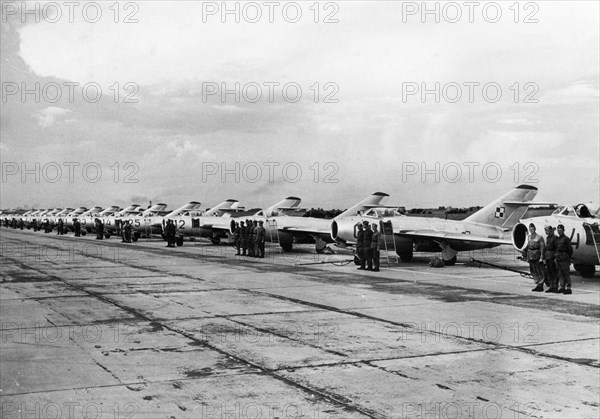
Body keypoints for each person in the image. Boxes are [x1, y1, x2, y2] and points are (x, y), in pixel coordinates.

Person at [523, 223, 545, 291]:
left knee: (539, 270)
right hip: (530, 256)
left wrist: (541, 257)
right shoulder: (529, 237)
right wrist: (526, 256)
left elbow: (542, 248)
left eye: (532, 229)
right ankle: (537, 283)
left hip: (537, 255)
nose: (531, 230)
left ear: (535, 229)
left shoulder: (539, 237)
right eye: (530, 229)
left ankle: (540, 285)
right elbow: (528, 247)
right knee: (533, 270)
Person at [555, 224, 573, 294]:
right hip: (559, 257)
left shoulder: (566, 239)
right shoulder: (558, 239)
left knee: (566, 273)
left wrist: (568, 257)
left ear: (563, 230)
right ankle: (562, 287)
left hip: (564, 257)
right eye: (558, 230)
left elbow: (570, 249)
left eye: (561, 230)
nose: (559, 231)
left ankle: (568, 288)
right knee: (560, 273)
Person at [543, 225, 559, 293]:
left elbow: (557, 248)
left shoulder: (555, 238)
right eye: (545, 231)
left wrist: (556, 257)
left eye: (547, 230)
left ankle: (555, 286)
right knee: (549, 272)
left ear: (550, 231)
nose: (546, 232)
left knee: (554, 272)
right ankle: (551, 286)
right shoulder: (548, 238)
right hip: (548, 256)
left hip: (552, 256)